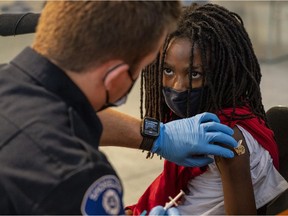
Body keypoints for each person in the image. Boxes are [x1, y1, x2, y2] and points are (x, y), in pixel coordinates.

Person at [0, 1, 239, 215]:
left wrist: (155, 135)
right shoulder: (74, 176)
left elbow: (53, 117)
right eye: (145, 68)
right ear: (115, 78)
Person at [126, 3, 288, 215]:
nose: (177, 86)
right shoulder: (198, 124)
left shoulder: (225, 138)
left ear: (222, 74)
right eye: (167, 70)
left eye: (194, 74)